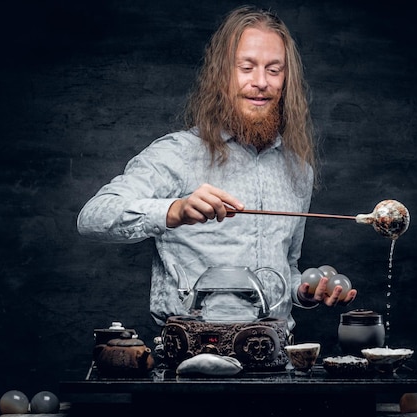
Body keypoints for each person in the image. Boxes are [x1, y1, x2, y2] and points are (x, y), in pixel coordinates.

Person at [77, 5, 357, 331]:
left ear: (286, 80)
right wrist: (175, 210)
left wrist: (304, 291)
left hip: (275, 357)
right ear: (222, 74)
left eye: (273, 70)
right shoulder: (177, 153)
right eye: (246, 67)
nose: (261, 82)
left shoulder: (297, 169)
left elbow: (287, 266)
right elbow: (93, 217)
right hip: (190, 358)